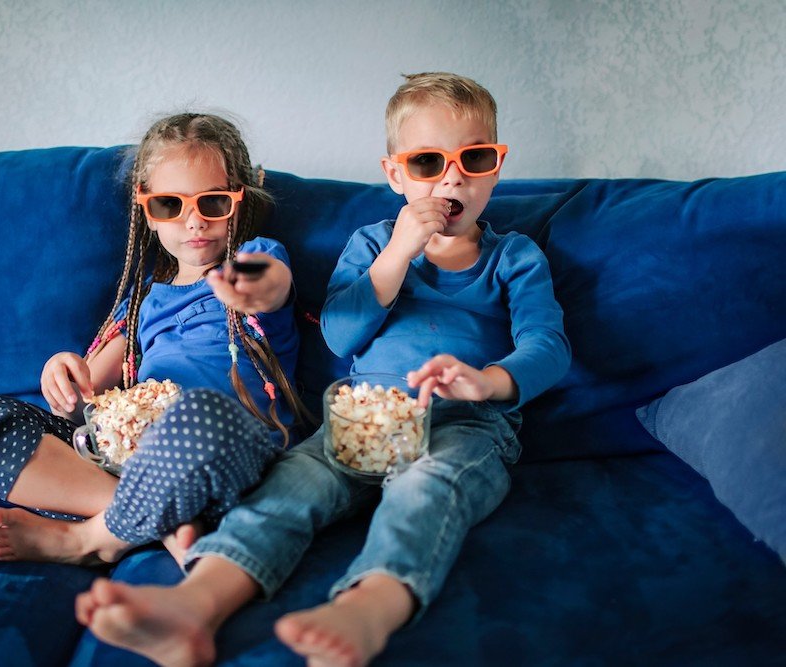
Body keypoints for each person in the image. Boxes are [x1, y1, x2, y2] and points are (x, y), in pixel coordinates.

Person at [73, 73, 572, 667]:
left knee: (426, 491)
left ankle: (370, 607)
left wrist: (490, 382)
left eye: (475, 158)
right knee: (288, 490)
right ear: (394, 175)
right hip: (359, 414)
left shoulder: (513, 256)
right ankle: (194, 608)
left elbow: (549, 345)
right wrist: (399, 253)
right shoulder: (371, 244)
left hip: (466, 423)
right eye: (428, 163)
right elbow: (340, 330)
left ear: (495, 168)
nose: (452, 177)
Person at [0, 112, 310, 568]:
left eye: (212, 203)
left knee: (196, 413)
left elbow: (274, 281)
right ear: (147, 210)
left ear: (239, 201)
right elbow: (86, 399)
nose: (194, 222)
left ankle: (90, 538)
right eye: (171, 205)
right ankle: (151, 519)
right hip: (126, 463)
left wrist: (248, 284)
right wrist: (63, 374)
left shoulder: (259, 258)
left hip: (224, 453)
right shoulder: (140, 303)